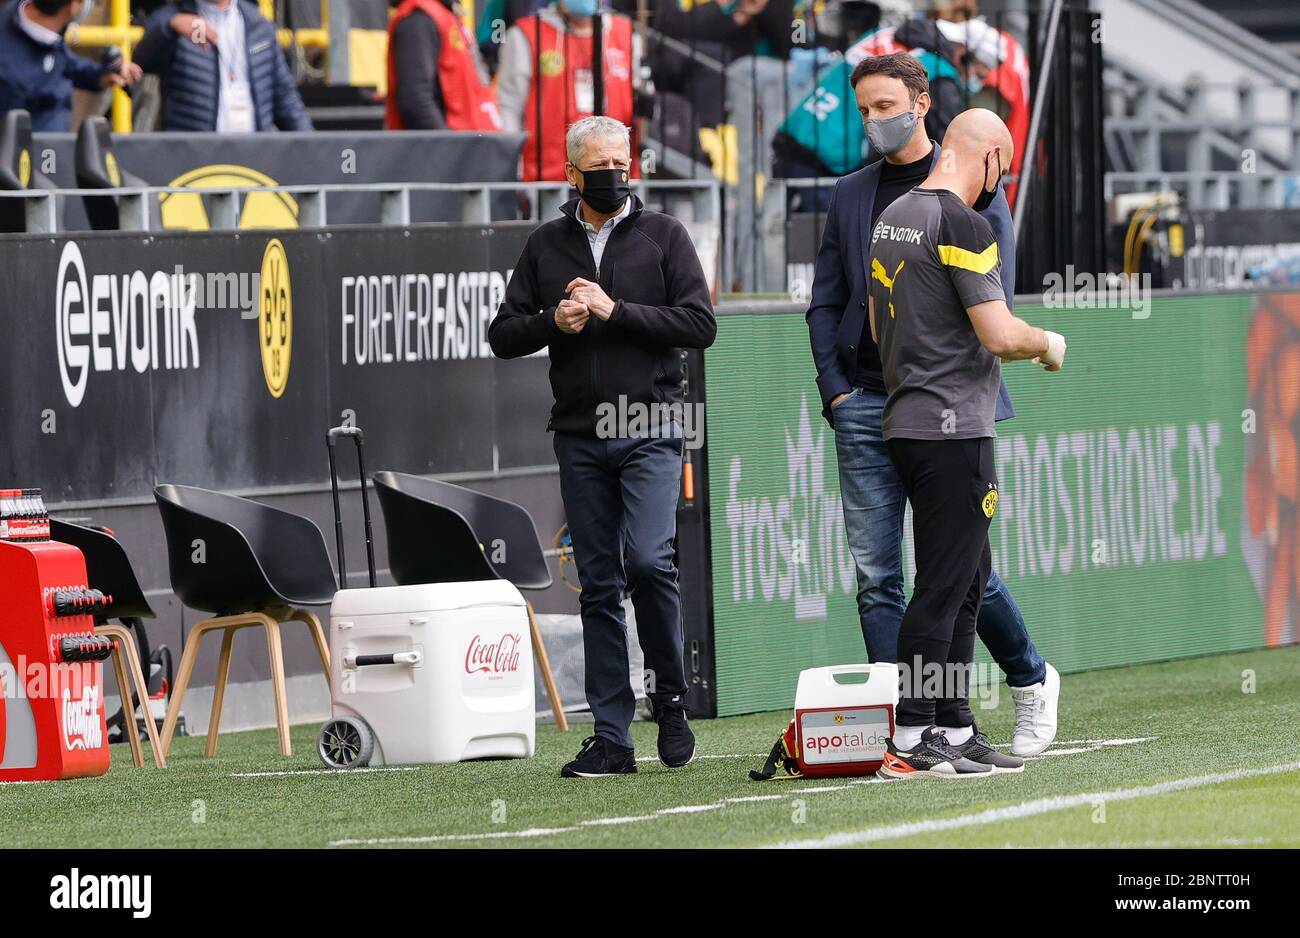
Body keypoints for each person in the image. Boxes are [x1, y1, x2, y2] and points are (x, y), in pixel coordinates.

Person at [805, 52, 1059, 757]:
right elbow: (829, 300)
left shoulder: (973, 195)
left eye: (885, 106)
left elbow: (986, 302)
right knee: (888, 575)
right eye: (863, 110)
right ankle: (917, 727)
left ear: (922, 103)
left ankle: (1013, 685)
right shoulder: (856, 194)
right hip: (874, 402)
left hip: (944, 401)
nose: (873, 121)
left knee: (959, 573)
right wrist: (837, 388)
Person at [488, 115, 715, 778]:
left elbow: (700, 324)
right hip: (581, 434)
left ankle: (669, 700)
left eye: (620, 161)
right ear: (572, 173)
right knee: (598, 585)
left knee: (648, 562)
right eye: (599, 165)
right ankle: (612, 736)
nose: (613, 173)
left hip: (648, 425)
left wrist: (617, 311)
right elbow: (503, 335)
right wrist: (550, 321)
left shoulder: (665, 236)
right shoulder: (545, 245)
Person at [869, 107, 1067, 778]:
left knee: (968, 583)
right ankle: (912, 731)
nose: (996, 185)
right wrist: (1048, 344)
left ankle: (953, 728)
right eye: (1000, 171)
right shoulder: (963, 222)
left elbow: (875, 324)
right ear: (989, 157)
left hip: (909, 418)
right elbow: (1000, 334)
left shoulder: (893, 214)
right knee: (944, 585)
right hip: (953, 429)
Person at [496, 0, 640, 181]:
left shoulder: (626, 32)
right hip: (547, 177)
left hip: (614, 176)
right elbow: (509, 107)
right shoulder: (525, 34)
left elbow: (639, 101)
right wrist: (512, 167)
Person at [133, 0, 312, 132]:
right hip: (194, 162)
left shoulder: (259, 25)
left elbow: (287, 101)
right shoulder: (170, 19)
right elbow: (141, 62)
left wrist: (313, 151)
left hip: (255, 159)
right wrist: (171, 25)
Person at [0, 0, 141, 132]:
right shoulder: (13, 75)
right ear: (73, 6)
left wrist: (101, 75)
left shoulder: (31, 20)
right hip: (42, 150)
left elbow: (65, 62)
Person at [385, 0, 501, 131]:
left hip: (470, 142)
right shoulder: (419, 19)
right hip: (450, 146)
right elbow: (416, 100)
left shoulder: (443, 14)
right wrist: (449, 147)